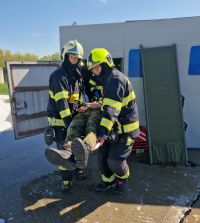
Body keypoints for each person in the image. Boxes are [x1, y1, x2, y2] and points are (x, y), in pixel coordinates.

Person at [86, 48, 140, 194]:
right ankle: (107, 182)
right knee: (102, 157)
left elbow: (111, 111)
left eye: (97, 66)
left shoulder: (115, 79)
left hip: (125, 130)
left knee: (115, 160)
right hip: (115, 128)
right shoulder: (108, 79)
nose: (95, 70)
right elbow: (112, 103)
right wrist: (99, 104)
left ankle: (122, 181)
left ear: (105, 64)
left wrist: (102, 134)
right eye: (93, 68)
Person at [44, 39, 86, 192]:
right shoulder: (58, 76)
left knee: (77, 149)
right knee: (64, 153)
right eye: (72, 57)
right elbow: (62, 104)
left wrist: (82, 107)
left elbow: (78, 98)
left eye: (77, 58)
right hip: (61, 124)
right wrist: (70, 124)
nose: (74, 60)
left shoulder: (76, 76)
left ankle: (78, 170)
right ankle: (66, 182)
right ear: (65, 56)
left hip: (72, 121)